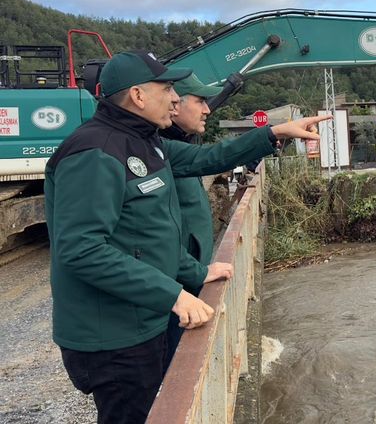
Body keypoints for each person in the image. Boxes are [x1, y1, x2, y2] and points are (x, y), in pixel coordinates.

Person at [45, 50, 329, 424]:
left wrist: (274, 132)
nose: (176, 99)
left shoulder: (147, 143)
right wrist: (173, 294)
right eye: (167, 89)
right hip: (111, 334)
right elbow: (80, 250)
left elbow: (201, 167)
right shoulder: (95, 153)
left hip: (140, 321)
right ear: (138, 96)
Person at [159, 73, 228, 361]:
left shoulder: (173, 148)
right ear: (175, 102)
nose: (207, 109)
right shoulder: (159, 153)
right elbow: (154, 234)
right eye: (200, 100)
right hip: (177, 291)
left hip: (188, 282)